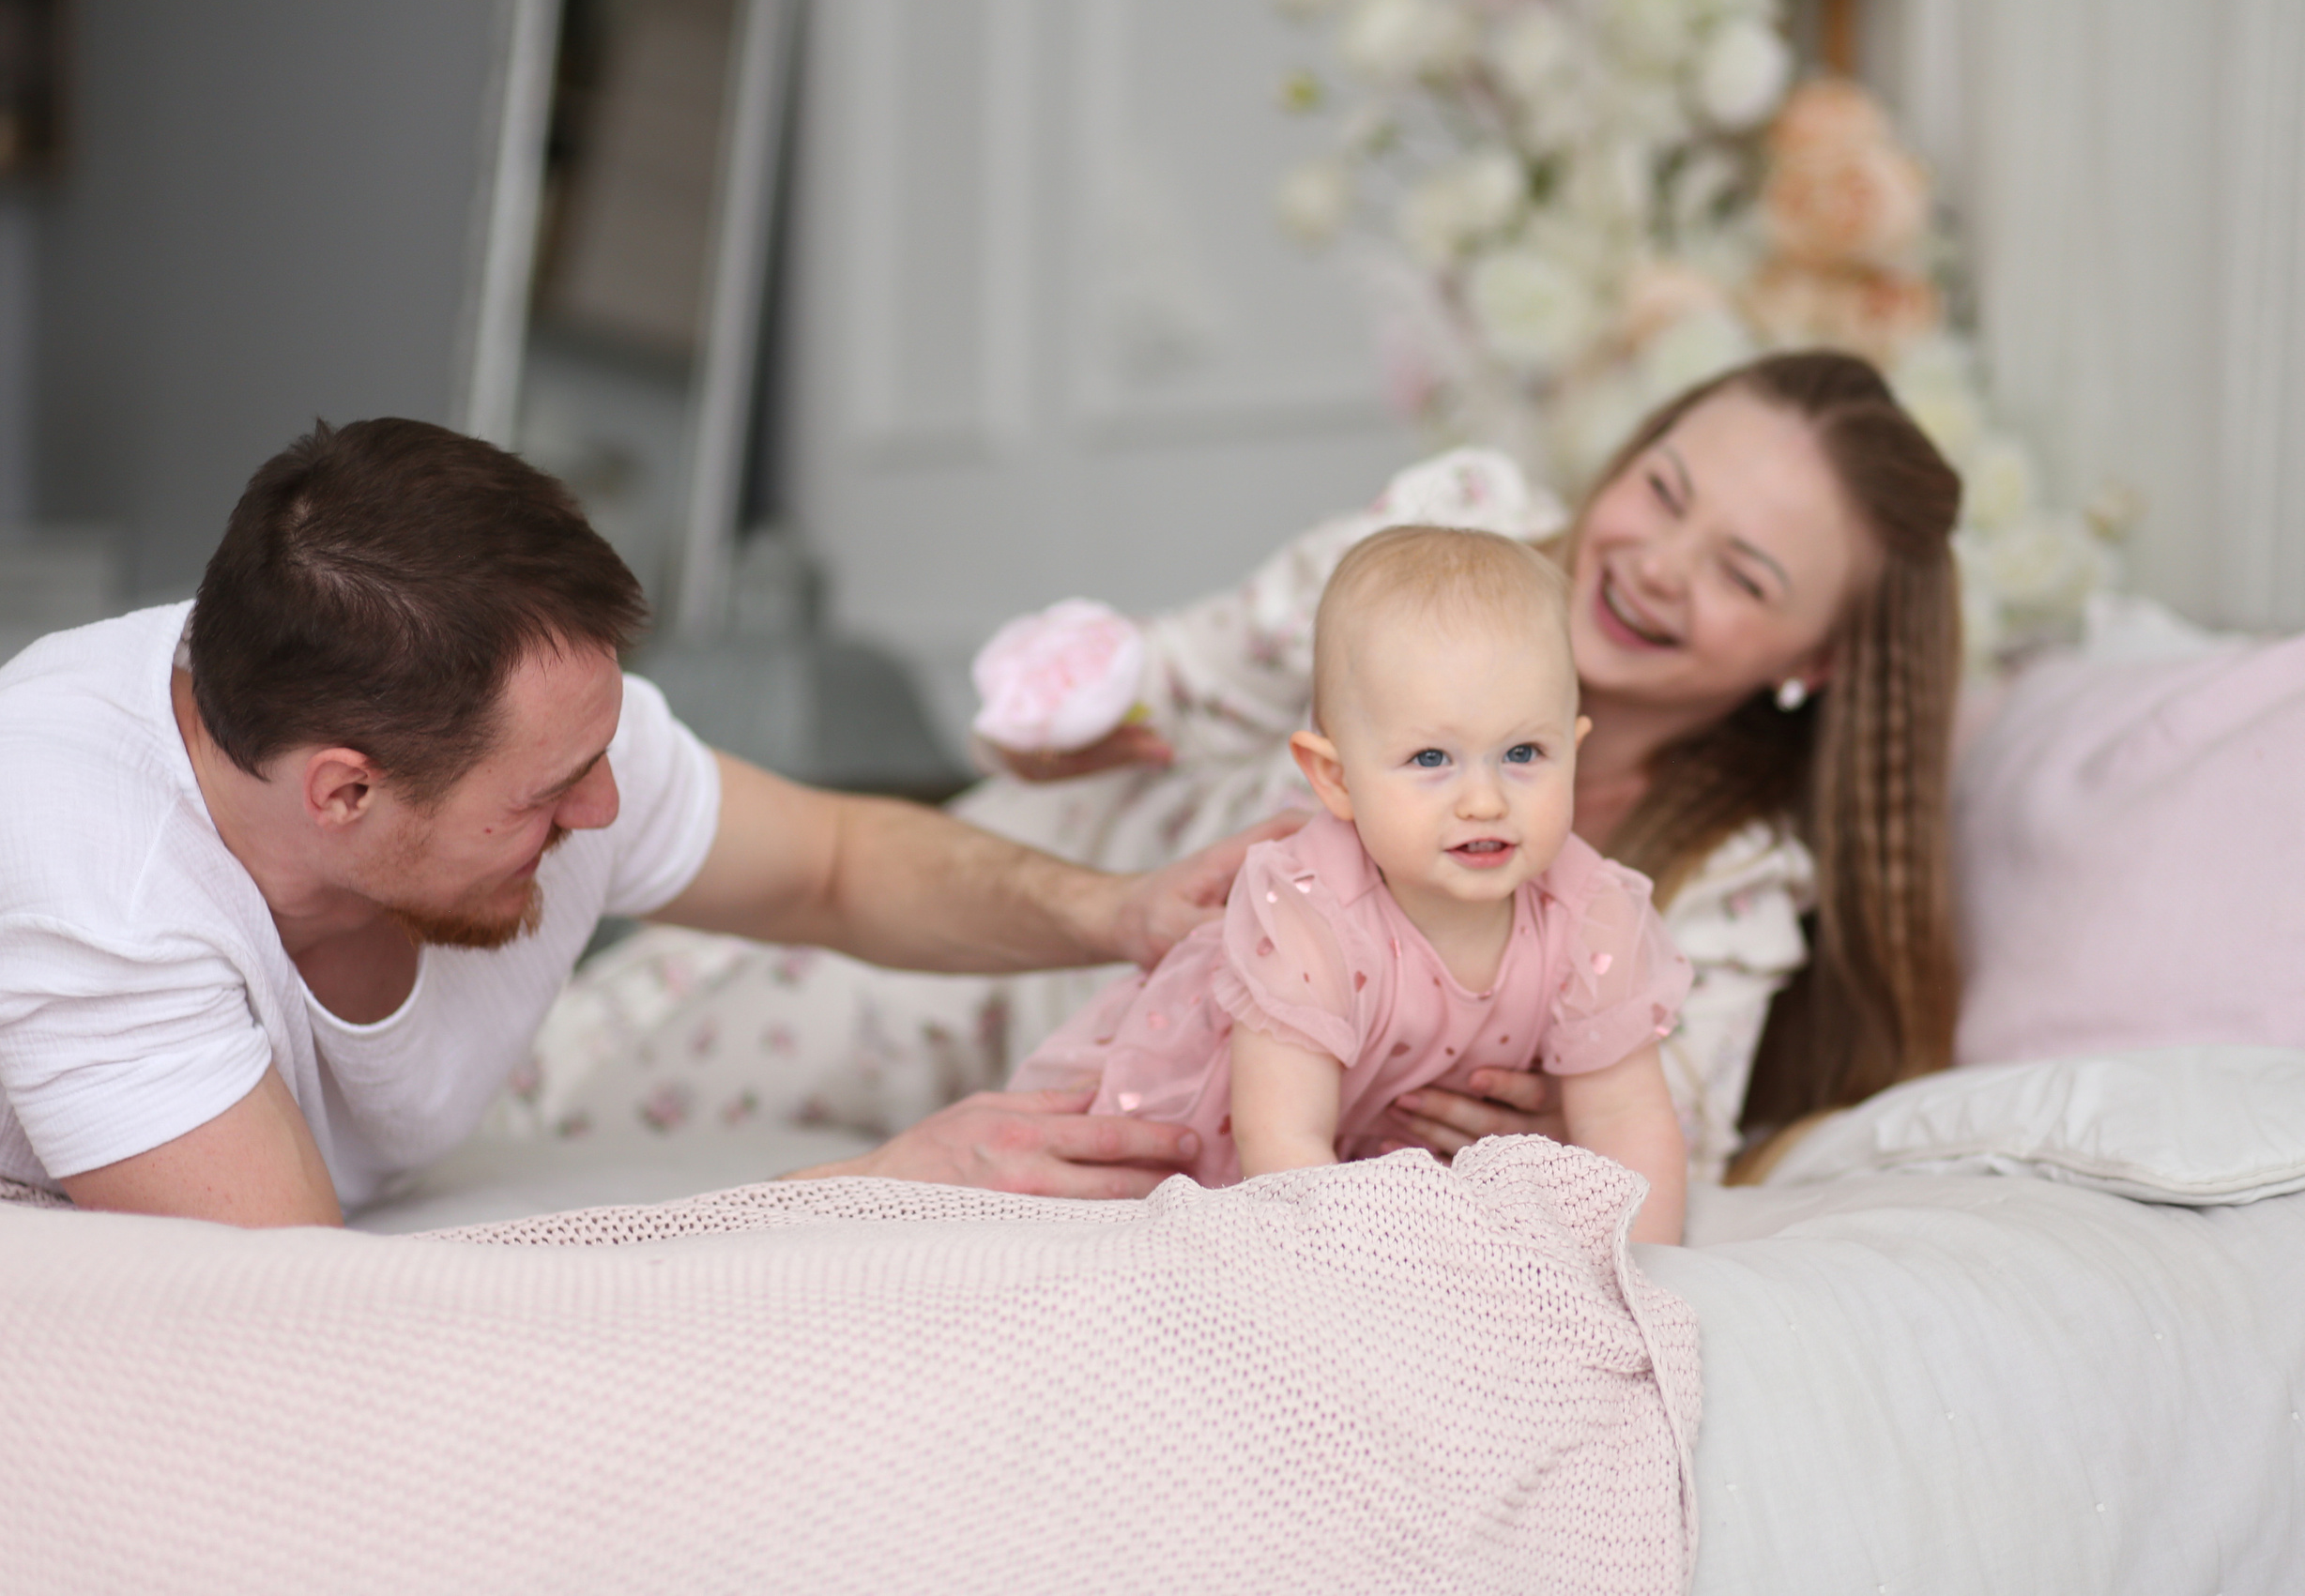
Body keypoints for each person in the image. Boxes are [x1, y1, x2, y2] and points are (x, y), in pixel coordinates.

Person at [529, 350, 1962, 1184]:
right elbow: (1197, 661)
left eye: (1742, 572)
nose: (1655, 560)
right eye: (1665, 486)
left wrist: (1569, 1116)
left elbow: (1675, 1129)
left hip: (1190, 1119)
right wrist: (1086, 703)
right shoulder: (1447, 547)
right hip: (1073, 898)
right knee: (576, 1093)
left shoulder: (1723, 877)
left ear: (1814, 662)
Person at [0, 418, 1295, 1226]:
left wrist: (1109, 908)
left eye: (602, 748)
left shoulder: (525, 725)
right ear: (344, 791)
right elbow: (329, 1318)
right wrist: (869, 1192)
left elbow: (836, 866)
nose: (608, 809)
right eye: (553, 792)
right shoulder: (87, 887)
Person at [1013, 528, 1693, 1239]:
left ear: (1573, 753)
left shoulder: (1591, 911)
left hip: (1378, 1172)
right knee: (1092, 1229)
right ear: (1335, 778)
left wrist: (1646, 1280)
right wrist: (1363, 1288)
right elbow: (1281, 1142)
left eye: (1524, 752)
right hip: (1221, 1154)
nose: (1485, 800)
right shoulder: (1310, 906)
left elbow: (1627, 1122)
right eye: (1431, 757)